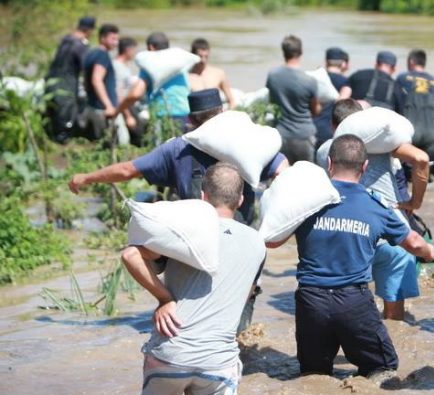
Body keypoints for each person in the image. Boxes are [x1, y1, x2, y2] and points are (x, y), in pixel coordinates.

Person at [69, 89, 287, 332]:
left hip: (192, 247)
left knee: (188, 320)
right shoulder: (249, 144)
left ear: (190, 121)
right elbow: (284, 172)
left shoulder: (177, 149)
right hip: (240, 247)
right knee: (236, 328)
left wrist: (86, 178)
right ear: (222, 113)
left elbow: (127, 171)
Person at [269, 134, 434, 380]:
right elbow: (414, 243)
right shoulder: (375, 206)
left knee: (313, 375)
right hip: (353, 302)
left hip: (311, 300)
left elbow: (273, 241)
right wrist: (430, 253)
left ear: (328, 163)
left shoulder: (305, 202)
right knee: (383, 368)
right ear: (365, 167)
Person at [122, 162, 266, 395]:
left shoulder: (183, 233)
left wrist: (164, 298)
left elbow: (130, 254)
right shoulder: (258, 243)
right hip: (217, 361)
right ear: (241, 199)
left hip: (169, 354)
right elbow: (244, 297)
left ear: (203, 196)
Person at [320, 99, 431, 321]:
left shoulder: (326, 151)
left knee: (348, 313)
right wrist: (414, 202)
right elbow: (421, 158)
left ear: (334, 127)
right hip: (394, 238)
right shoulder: (386, 146)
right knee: (394, 320)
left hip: (351, 236)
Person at [111, 32, 190, 137]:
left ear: (151, 47)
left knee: (163, 151)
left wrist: (117, 111)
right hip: (185, 115)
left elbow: (136, 94)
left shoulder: (150, 66)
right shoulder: (180, 65)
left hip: (162, 117)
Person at [266, 35, 320, 164]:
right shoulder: (309, 80)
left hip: (281, 135)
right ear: (301, 52)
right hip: (304, 135)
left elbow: (272, 102)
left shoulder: (273, 76)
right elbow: (316, 110)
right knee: (305, 175)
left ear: (283, 52)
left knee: (281, 175)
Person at [45, 16, 96, 142]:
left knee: (54, 108)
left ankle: (53, 136)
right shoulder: (80, 45)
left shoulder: (66, 40)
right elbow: (86, 68)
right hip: (66, 82)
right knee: (66, 109)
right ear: (90, 30)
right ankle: (62, 139)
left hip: (51, 79)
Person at [396, 49, 434, 159]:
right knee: (425, 169)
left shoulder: (403, 78)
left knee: (405, 168)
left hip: (411, 129)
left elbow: (396, 101)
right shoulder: (433, 81)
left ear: (411, 61)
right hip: (431, 131)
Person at [83, 24, 120, 140]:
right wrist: (108, 106)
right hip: (102, 109)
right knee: (112, 143)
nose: (116, 42)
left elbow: (85, 80)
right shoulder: (102, 55)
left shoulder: (91, 53)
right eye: (113, 39)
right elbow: (96, 80)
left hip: (93, 105)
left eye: (117, 39)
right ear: (102, 38)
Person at [313, 47, 351, 146]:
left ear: (326, 62)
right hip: (331, 131)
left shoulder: (315, 79)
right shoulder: (346, 82)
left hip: (311, 129)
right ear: (343, 64)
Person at [188, 38, 237, 109]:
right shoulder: (187, 76)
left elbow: (231, 101)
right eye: (200, 56)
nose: (203, 60)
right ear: (193, 55)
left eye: (206, 56)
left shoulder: (218, 74)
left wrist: (229, 113)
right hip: (197, 116)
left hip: (216, 115)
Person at [113, 37, 140, 145]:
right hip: (120, 107)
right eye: (134, 50)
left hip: (126, 105)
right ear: (128, 50)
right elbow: (118, 93)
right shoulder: (117, 67)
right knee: (123, 139)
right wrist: (128, 116)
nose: (135, 53)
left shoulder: (125, 66)